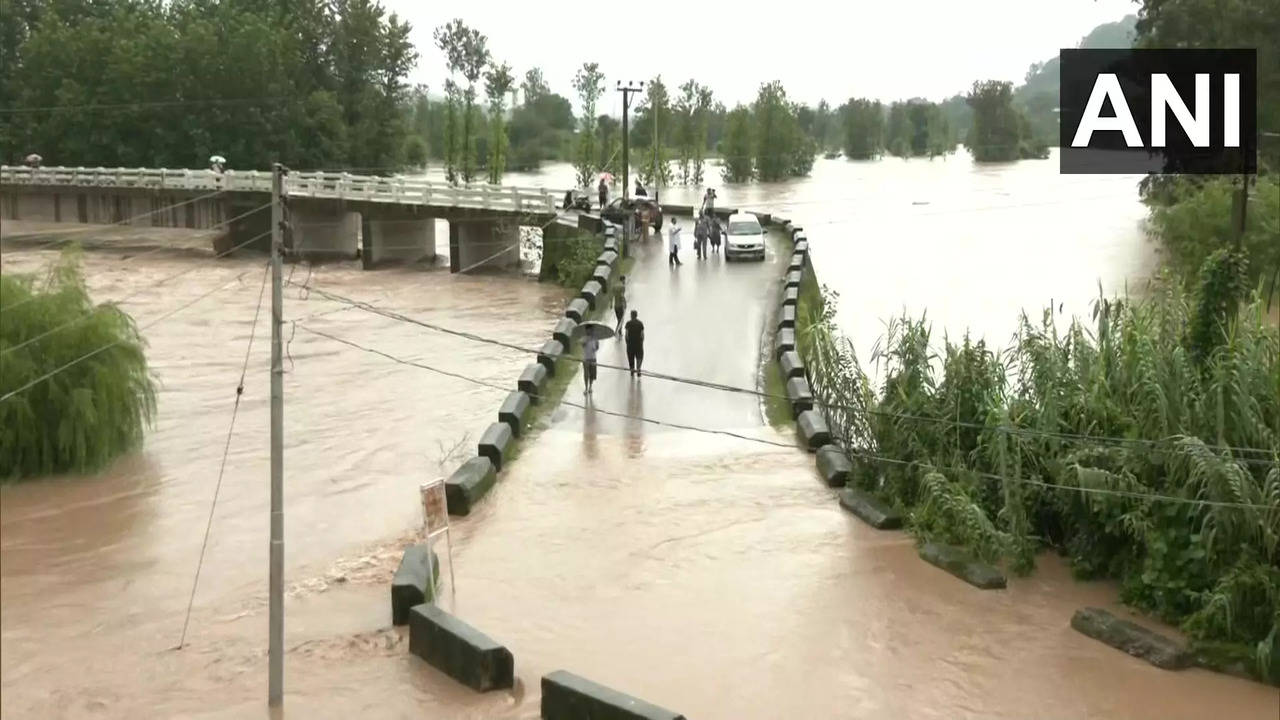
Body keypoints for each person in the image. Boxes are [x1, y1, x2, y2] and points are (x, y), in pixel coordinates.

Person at [624, 310, 645, 378]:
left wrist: (627, 342)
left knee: (631, 357)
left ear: (631, 315)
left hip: (630, 345)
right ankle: (638, 369)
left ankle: (632, 370)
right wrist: (641, 342)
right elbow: (642, 334)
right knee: (639, 357)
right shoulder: (640, 323)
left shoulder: (628, 323)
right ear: (636, 315)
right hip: (638, 344)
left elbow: (626, 334)